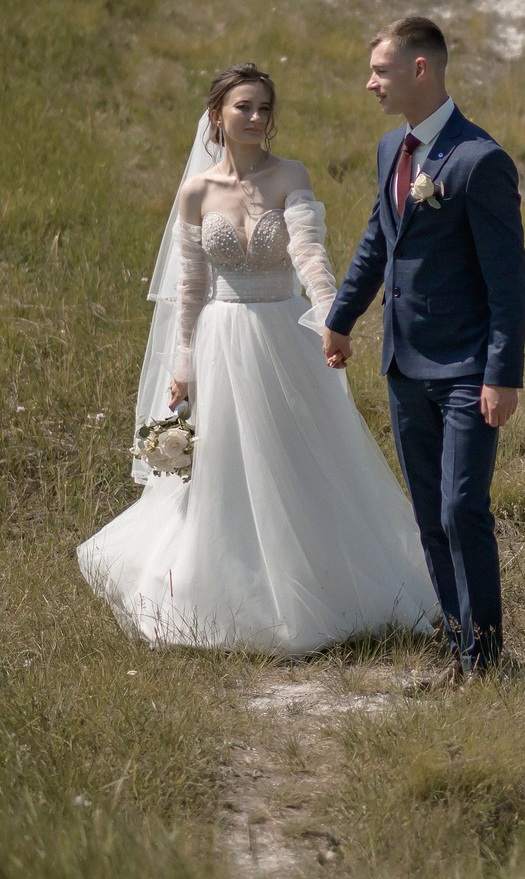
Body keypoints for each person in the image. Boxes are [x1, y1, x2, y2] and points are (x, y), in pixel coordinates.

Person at [77, 64, 441, 655]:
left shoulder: (287, 176)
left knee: (300, 456)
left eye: (265, 108)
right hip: (222, 339)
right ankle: (222, 587)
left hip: (284, 333)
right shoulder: (196, 192)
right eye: (244, 106)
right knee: (225, 465)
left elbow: (308, 252)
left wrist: (331, 316)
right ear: (217, 114)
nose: (255, 118)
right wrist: (183, 365)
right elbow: (189, 289)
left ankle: (322, 583)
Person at [323, 16, 525, 680]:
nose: (370, 82)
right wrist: (342, 315)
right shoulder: (391, 151)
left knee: (461, 506)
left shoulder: (480, 160)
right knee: (428, 516)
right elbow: (378, 241)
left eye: (381, 70)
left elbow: (508, 282)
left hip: (469, 369)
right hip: (404, 364)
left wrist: (503, 374)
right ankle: (456, 647)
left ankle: (485, 655)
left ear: (421, 69)